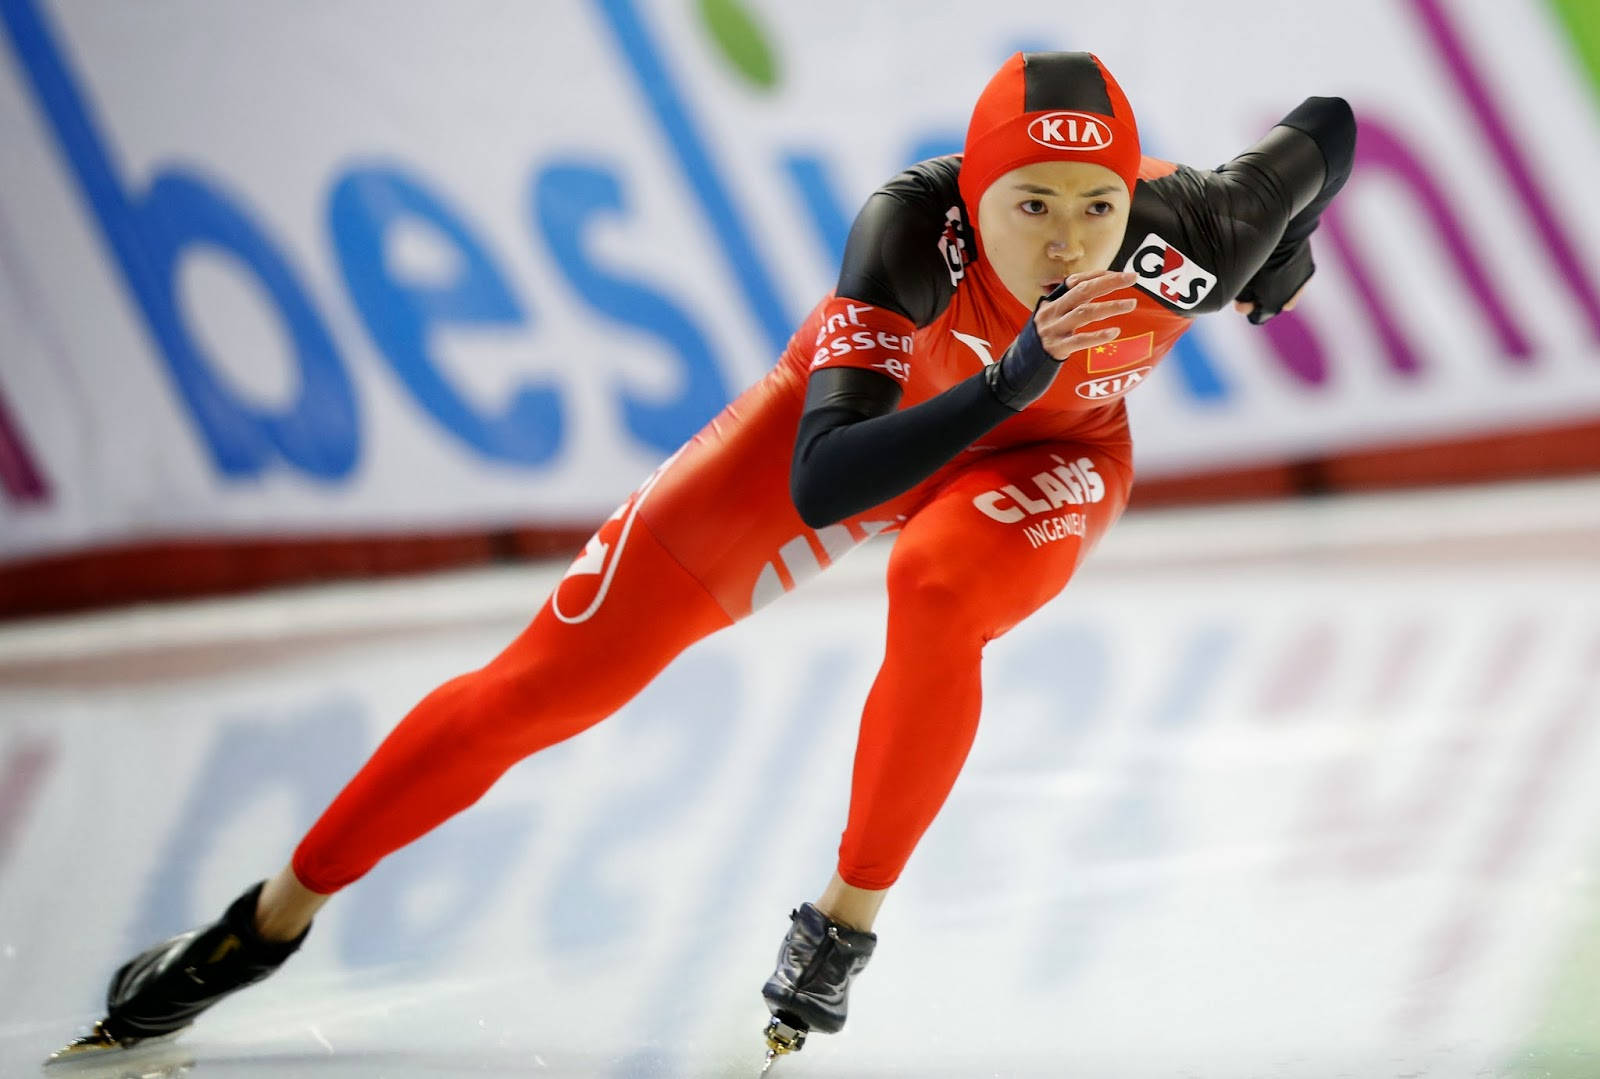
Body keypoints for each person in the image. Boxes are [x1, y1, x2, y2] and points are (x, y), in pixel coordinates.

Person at [52, 50, 1355, 1067]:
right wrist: (1014, 376)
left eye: (1095, 206)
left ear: (1138, 200)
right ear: (971, 193)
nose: (1068, 243)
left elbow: (1330, 129)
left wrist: (1283, 247)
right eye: (1029, 204)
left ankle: (841, 928)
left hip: (1039, 466)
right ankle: (266, 919)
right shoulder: (912, 231)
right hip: (866, 427)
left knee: (937, 586)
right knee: (543, 688)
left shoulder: (1195, 230)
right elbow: (825, 476)